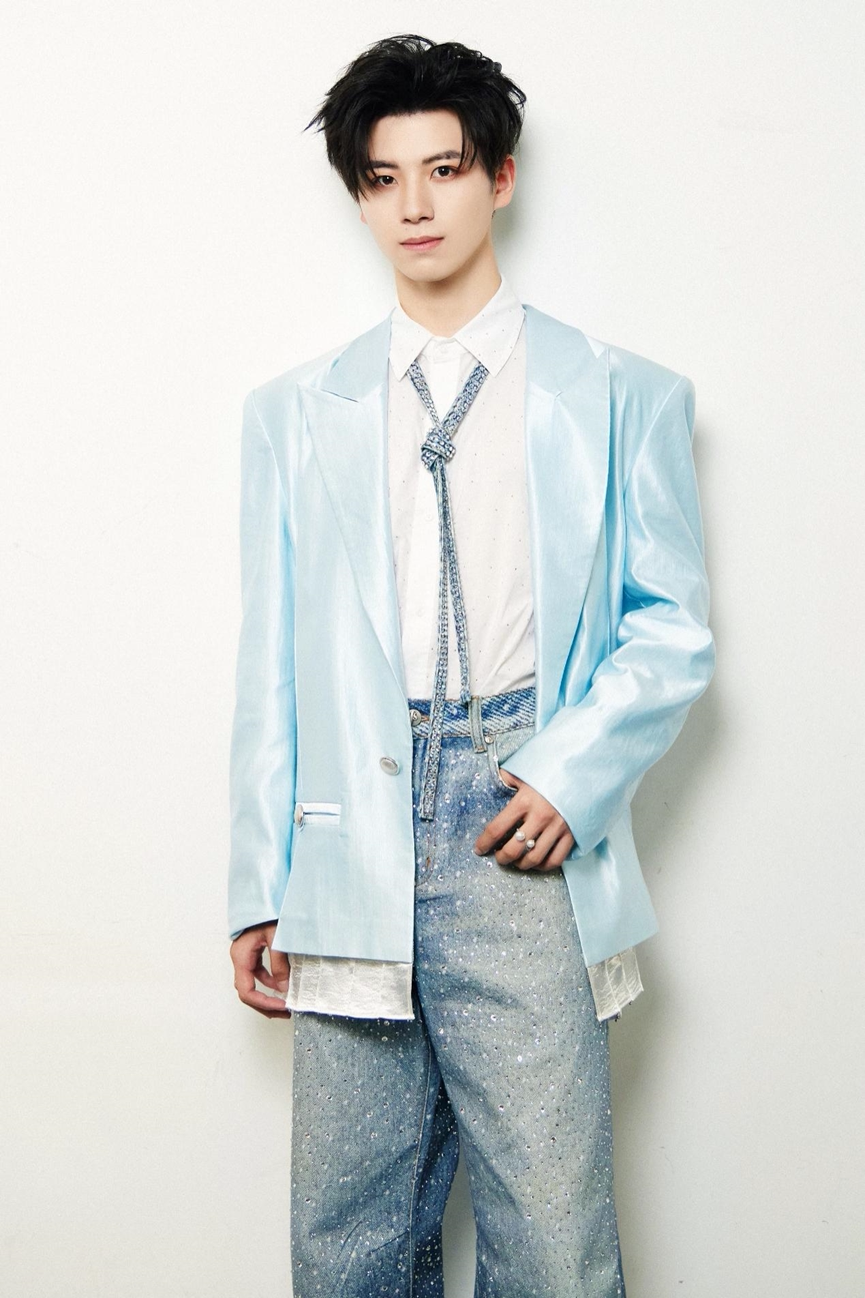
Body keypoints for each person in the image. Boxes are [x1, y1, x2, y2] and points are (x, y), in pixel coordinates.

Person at [227, 33, 715, 1298]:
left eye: (442, 170)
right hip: (350, 827)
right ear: (358, 197)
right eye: (382, 179)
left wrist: (569, 771)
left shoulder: (624, 394)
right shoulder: (294, 413)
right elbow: (272, 661)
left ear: (498, 177)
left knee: (554, 1237)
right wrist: (257, 880)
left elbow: (671, 625)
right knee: (347, 1236)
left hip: (520, 819)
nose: (414, 206)